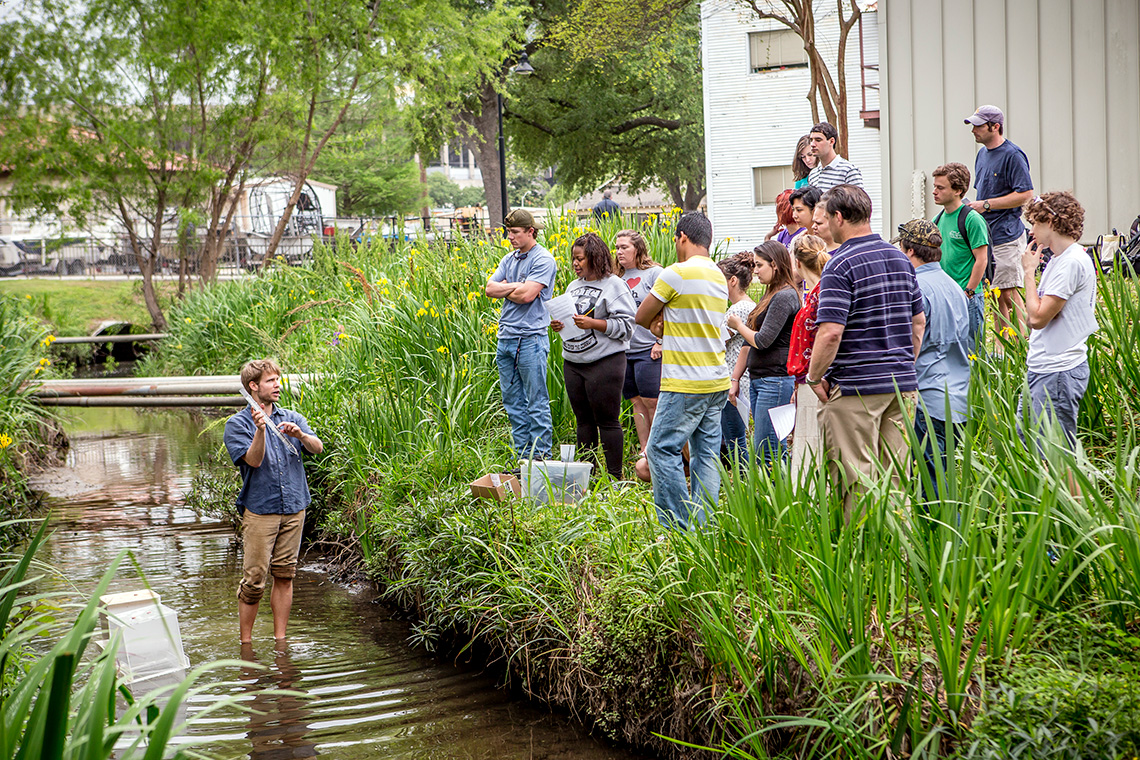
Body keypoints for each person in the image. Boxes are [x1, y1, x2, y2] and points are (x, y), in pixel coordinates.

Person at [806, 185, 925, 518]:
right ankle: (900, 560)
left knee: (855, 480)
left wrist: (814, 376)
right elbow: (918, 323)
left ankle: (864, 561)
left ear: (839, 217)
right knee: (896, 479)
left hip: (856, 386)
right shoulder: (901, 259)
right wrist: (904, 362)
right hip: (902, 387)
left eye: (827, 217)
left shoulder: (839, 265)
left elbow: (830, 332)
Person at [635, 211, 729, 530]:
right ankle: (706, 528)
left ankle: (678, 528)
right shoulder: (718, 275)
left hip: (686, 380)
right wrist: (667, 327)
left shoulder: (676, 273)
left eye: (676, 240)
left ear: (682, 238)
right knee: (706, 455)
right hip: (716, 380)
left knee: (661, 449)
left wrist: (657, 326)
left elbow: (640, 316)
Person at [224, 359, 324, 643]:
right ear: (253, 387)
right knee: (254, 580)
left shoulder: (291, 416)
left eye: (278, 380)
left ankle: (281, 641)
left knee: (285, 574)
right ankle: (246, 644)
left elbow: (317, 448)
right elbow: (253, 461)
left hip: (295, 506)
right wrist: (260, 430)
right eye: (270, 381)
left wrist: (301, 434)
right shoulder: (237, 424)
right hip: (260, 510)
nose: (277, 385)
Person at [894, 220, 972, 494]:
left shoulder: (915, 288)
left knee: (932, 487)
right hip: (959, 397)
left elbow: (908, 342)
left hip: (927, 396)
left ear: (910, 251)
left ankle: (945, 536)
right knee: (944, 479)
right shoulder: (955, 287)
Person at [550, 232, 636, 479]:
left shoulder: (614, 285)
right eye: (573, 259)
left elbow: (628, 326)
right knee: (583, 422)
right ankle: (586, 476)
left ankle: (614, 478)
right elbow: (574, 321)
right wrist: (561, 325)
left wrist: (594, 323)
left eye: (580, 259)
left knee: (607, 421)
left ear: (595, 258)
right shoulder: (573, 286)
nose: (575, 264)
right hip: (574, 362)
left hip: (605, 363)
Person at [1020, 192, 1097, 456]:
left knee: (1056, 455)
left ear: (1051, 222)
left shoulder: (1071, 263)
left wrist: (1029, 273)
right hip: (1045, 367)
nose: (1031, 230)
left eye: (1035, 223)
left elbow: (1038, 318)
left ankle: (1075, 499)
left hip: (1058, 372)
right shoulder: (1059, 260)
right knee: (1030, 444)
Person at [484, 208, 558, 462]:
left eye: (515, 232)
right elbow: (489, 289)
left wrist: (510, 288)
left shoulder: (543, 259)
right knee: (513, 403)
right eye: (508, 232)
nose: (510, 237)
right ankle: (522, 458)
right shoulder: (509, 259)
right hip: (505, 338)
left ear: (531, 231)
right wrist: (516, 286)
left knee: (536, 401)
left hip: (530, 339)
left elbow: (527, 297)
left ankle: (540, 459)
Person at [727, 242, 800, 466]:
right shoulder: (771, 294)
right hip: (762, 378)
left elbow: (761, 340)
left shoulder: (784, 297)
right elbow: (750, 344)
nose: (755, 270)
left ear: (775, 265)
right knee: (769, 447)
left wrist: (738, 325)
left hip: (775, 380)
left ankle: (777, 498)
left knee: (767, 451)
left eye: (759, 265)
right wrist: (735, 378)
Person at [965, 105, 1034, 335]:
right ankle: (1003, 348)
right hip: (988, 234)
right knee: (996, 295)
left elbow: (1025, 195)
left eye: (978, 125)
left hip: (1007, 234)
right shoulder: (982, 154)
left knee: (1010, 293)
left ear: (995, 127)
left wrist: (986, 205)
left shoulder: (1013, 155)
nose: (973, 130)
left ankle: (1023, 345)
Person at [615, 229, 664, 472]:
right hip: (624, 350)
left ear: (638, 249)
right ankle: (645, 448)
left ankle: (657, 450)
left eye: (624, 247)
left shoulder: (654, 273)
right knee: (635, 402)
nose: (619, 252)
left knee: (652, 401)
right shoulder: (617, 277)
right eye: (617, 247)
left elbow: (668, 309)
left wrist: (660, 341)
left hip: (648, 349)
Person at [786, 234, 831, 478]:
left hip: (816, 380)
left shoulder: (821, 293)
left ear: (798, 262)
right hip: (807, 380)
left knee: (812, 446)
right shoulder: (815, 293)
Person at [932, 162, 990, 349]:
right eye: (934, 187)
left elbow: (982, 259)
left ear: (957, 190)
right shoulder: (938, 219)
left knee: (973, 352)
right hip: (946, 297)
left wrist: (969, 292)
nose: (934, 191)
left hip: (967, 297)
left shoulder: (972, 219)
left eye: (940, 188)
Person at [718, 252, 757, 467]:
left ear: (732, 281)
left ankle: (742, 482)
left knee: (734, 438)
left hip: (734, 380)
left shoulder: (739, 309)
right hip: (740, 379)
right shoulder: (749, 306)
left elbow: (718, 341)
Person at [807, 122, 864, 191]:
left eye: (818, 140)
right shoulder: (813, 174)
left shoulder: (848, 171)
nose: (812, 144)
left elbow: (859, 201)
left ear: (831, 141)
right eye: (811, 140)